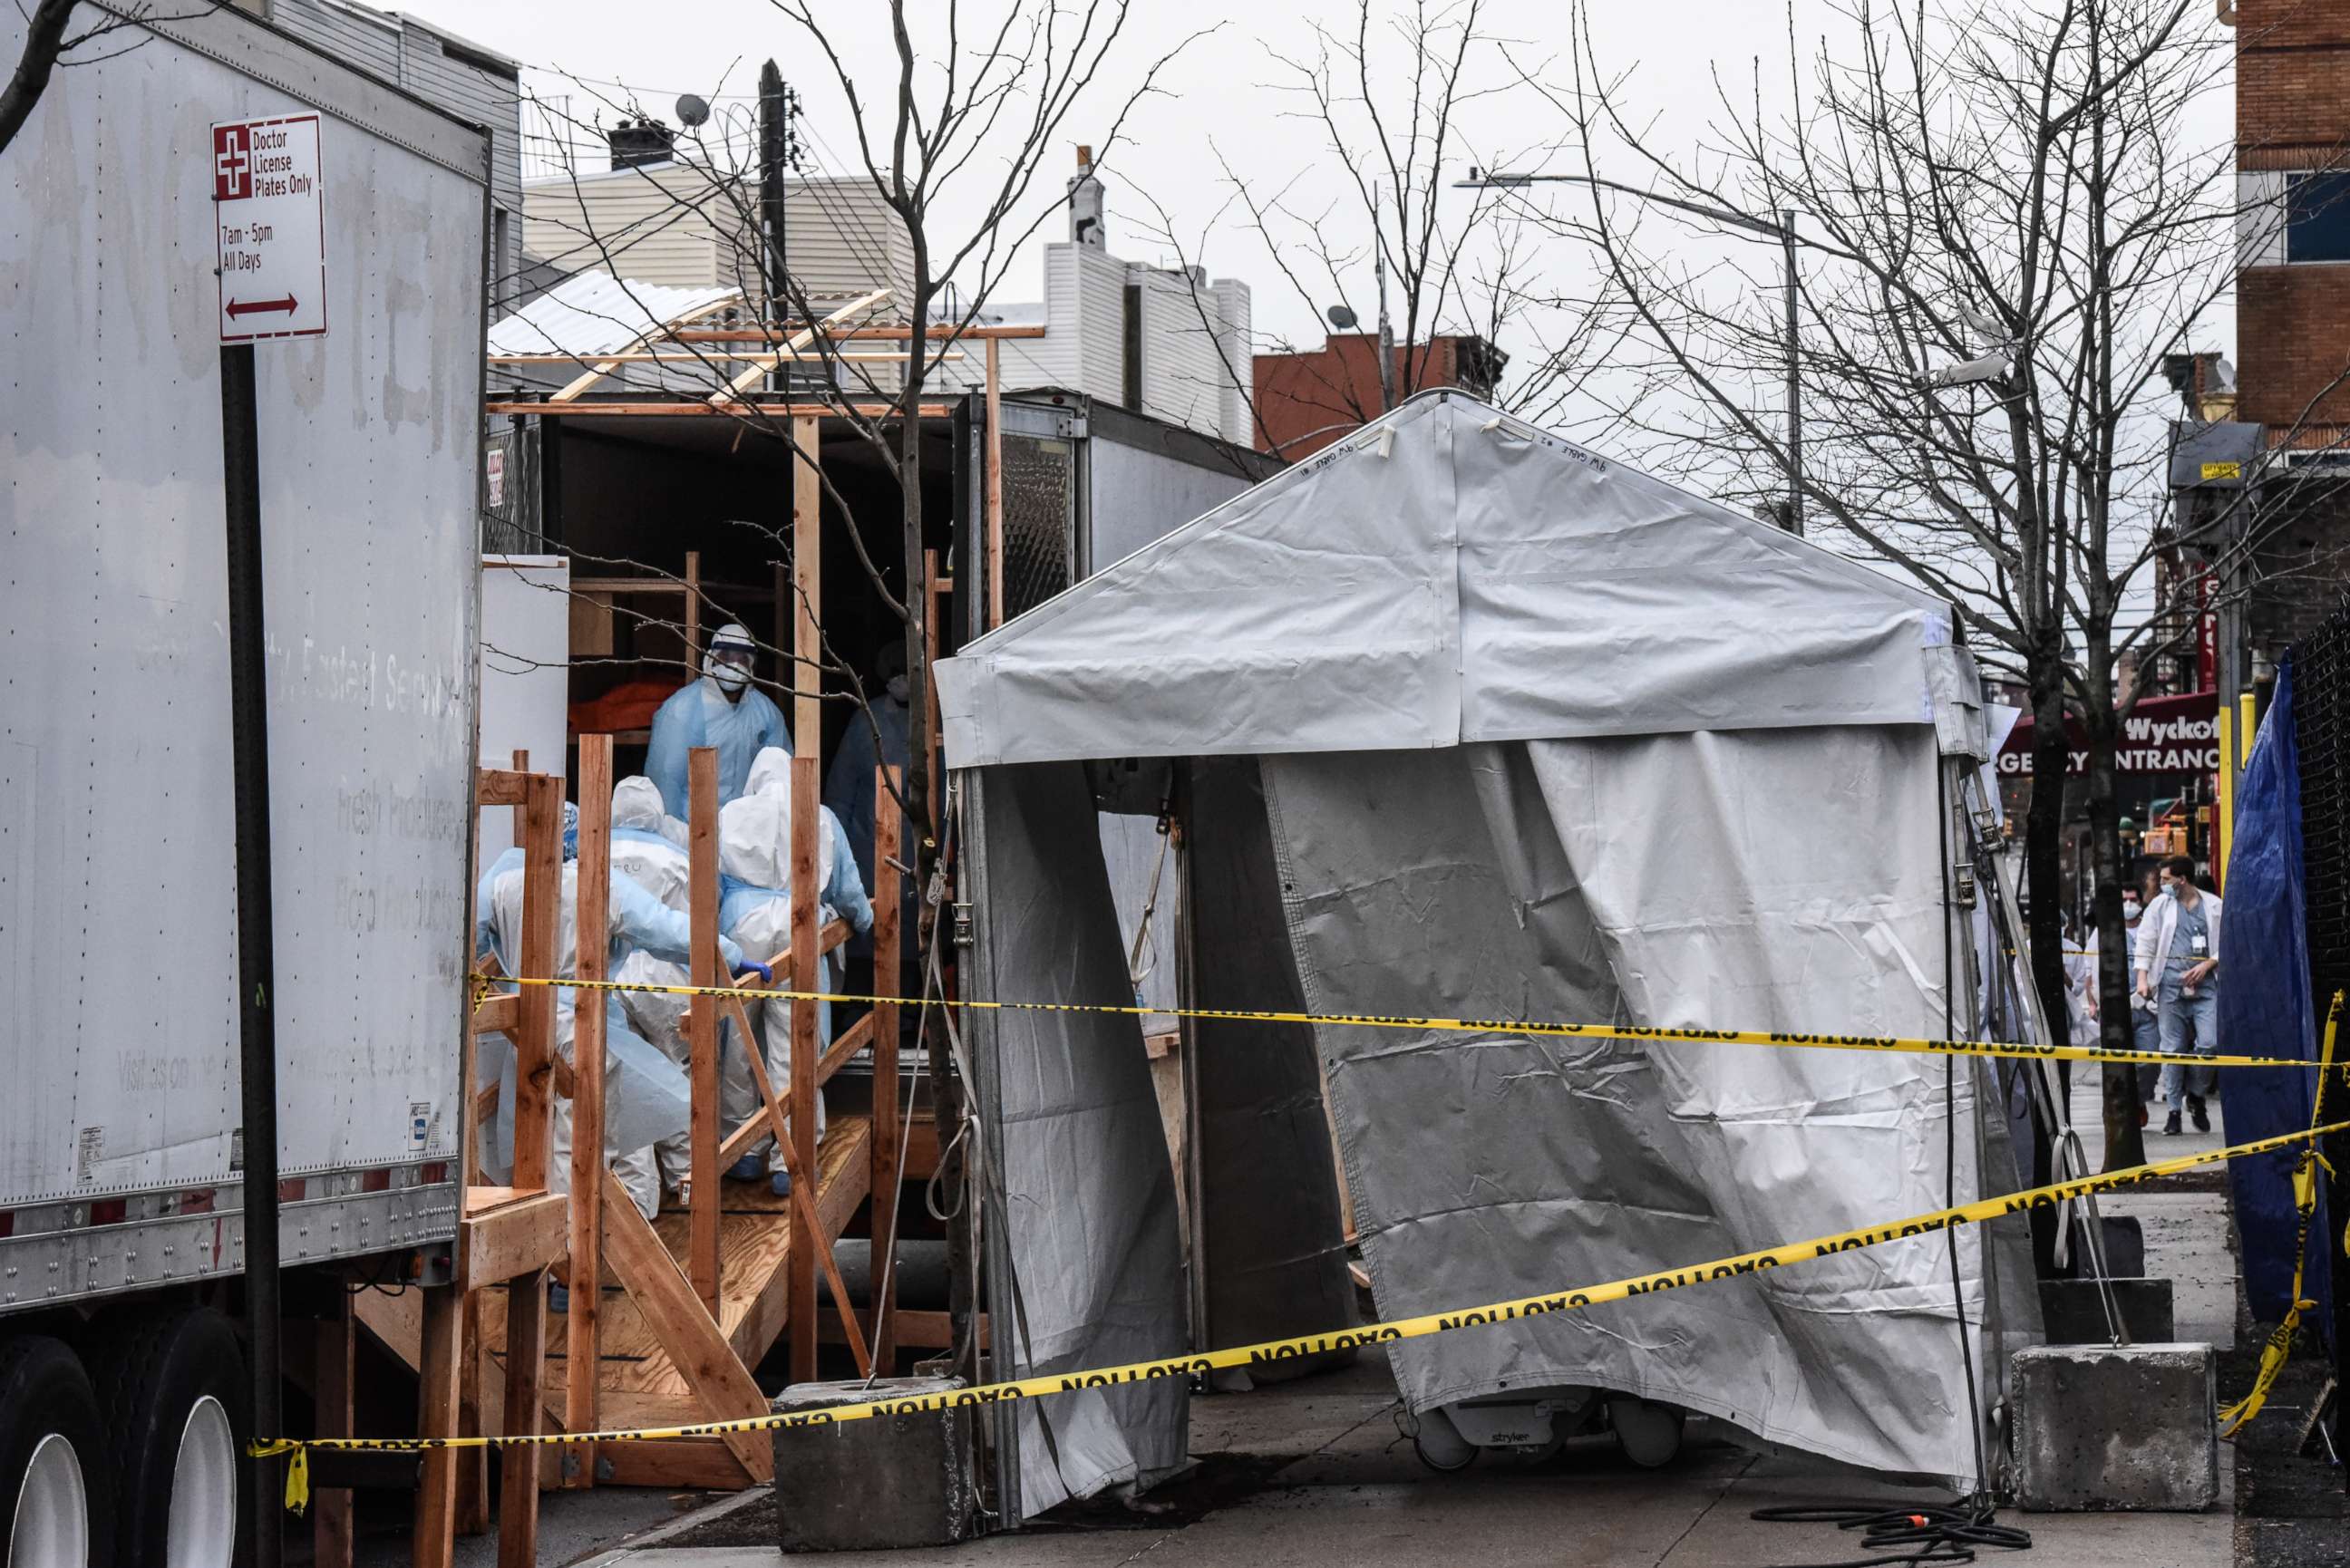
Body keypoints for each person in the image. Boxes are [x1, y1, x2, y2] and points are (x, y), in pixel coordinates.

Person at [475, 805, 766, 1306]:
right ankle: (570, 1270)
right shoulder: (597, 886)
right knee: (581, 1149)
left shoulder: (503, 885)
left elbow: (475, 942)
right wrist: (730, 955)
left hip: (526, 1028)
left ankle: (542, 1263)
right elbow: (668, 930)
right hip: (584, 1031)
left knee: (532, 1145)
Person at [718, 747, 874, 1195]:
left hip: (740, 931)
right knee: (795, 1041)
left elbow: (706, 879)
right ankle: (791, 1157)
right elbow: (846, 885)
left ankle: (742, 1151)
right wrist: (865, 922)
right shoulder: (819, 814)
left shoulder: (731, 813)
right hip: (797, 924)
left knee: (739, 1045)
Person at [645, 623, 788, 819]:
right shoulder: (681, 710)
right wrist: (673, 835)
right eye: (725, 658)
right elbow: (665, 781)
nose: (734, 665)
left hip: (746, 832)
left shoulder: (766, 714)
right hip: (690, 830)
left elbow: (780, 780)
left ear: (752, 664)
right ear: (710, 659)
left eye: (742, 660)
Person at [2134, 854, 2223, 1136]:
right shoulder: (2160, 906)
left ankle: (2195, 1095)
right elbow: (2146, 940)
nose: (2161, 885)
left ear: (2182, 880)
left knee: (2210, 1043)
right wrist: (2143, 977)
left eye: (2166, 879)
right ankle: (2174, 1111)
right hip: (2171, 987)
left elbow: (2228, 943)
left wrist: (2208, 964)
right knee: (2172, 1050)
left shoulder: (2214, 906)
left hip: (2206, 987)